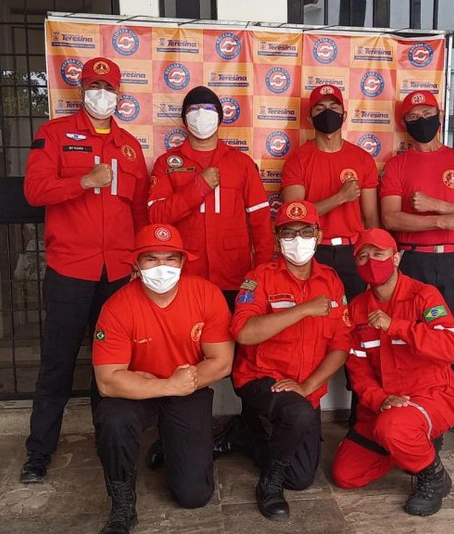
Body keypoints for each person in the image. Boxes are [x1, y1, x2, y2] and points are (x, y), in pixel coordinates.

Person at [21, 56, 149, 483]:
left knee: (109, 364)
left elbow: (139, 213)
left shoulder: (130, 147)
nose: (102, 94)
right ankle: (38, 453)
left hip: (116, 273)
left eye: (109, 87)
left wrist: (137, 264)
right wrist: (82, 182)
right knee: (56, 364)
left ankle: (108, 444)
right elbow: (34, 191)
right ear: (81, 90)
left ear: (119, 95)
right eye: (94, 86)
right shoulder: (53, 134)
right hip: (70, 269)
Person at [91, 224, 234, 534]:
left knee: (194, 496)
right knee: (112, 419)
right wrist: (167, 384)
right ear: (136, 265)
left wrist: (184, 384)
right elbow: (107, 381)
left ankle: (170, 445)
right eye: (151, 259)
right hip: (140, 393)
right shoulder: (116, 308)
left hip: (189, 388)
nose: (162, 267)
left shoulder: (206, 294)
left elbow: (222, 362)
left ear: (182, 263)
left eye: (170, 259)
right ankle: (122, 505)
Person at [379, 90, 454, 445]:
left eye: (427, 112)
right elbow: (391, 217)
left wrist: (434, 205)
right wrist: (441, 221)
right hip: (414, 260)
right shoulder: (397, 166)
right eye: (413, 117)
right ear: (405, 125)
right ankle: (423, 411)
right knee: (416, 336)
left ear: (439, 114)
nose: (421, 121)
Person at [230, 201, 351, 522]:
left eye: (306, 232)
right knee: (296, 414)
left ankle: (244, 435)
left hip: (303, 385)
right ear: (277, 238)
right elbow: (243, 333)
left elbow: (341, 343)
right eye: (289, 233)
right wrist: (302, 309)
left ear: (319, 235)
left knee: (300, 479)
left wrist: (308, 385)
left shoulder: (332, 281)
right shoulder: (259, 278)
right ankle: (268, 484)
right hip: (259, 378)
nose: (298, 240)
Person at [330, 228, 454, 516]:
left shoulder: (424, 296)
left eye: (379, 254)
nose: (371, 261)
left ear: (397, 258)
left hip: (431, 395)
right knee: (346, 475)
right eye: (363, 256)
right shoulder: (356, 310)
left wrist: (397, 326)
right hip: (384, 405)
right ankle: (410, 444)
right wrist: (380, 401)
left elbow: (451, 348)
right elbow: (358, 369)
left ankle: (433, 477)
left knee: (393, 428)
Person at [148, 85, 274, 305]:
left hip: (235, 275)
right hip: (185, 274)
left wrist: (262, 271)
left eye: (208, 108)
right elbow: (156, 217)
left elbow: (261, 221)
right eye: (194, 108)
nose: (201, 113)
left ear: (220, 117)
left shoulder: (241, 163)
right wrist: (198, 187)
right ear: (185, 119)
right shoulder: (167, 163)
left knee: (232, 336)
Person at [281, 84, 380, 300]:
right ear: (310, 118)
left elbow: (371, 219)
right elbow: (294, 216)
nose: (327, 113)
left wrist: (373, 258)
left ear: (344, 115)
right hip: (311, 250)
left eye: (333, 108)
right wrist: (340, 197)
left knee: (355, 319)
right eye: (320, 109)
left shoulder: (362, 159)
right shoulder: (298, 160)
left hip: (352, 252)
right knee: (315, 321)